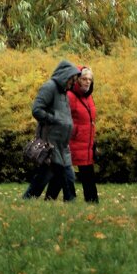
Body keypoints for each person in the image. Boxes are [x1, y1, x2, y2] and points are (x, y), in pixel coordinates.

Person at [22, 59, 80, 201]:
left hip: (62, 145)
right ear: (65, 76)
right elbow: (37, 110)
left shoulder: (64, 92)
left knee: (64, 176)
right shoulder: (50, 87)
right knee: (47, 177)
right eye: (72, 79)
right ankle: (28, 200)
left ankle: (56, 202)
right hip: (50, 144)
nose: (73, 83)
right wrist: (53, 120)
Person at [46, 65, 97, 202]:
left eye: (90, 79)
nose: (87, 82)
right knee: (62, 172)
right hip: (71, 141)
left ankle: (92, 201)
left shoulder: (89, 97)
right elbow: (60, 117)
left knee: (86, 172)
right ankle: (51, 198)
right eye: (84, 78)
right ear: (77, 80)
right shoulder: (69, 96)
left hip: (86, 142)